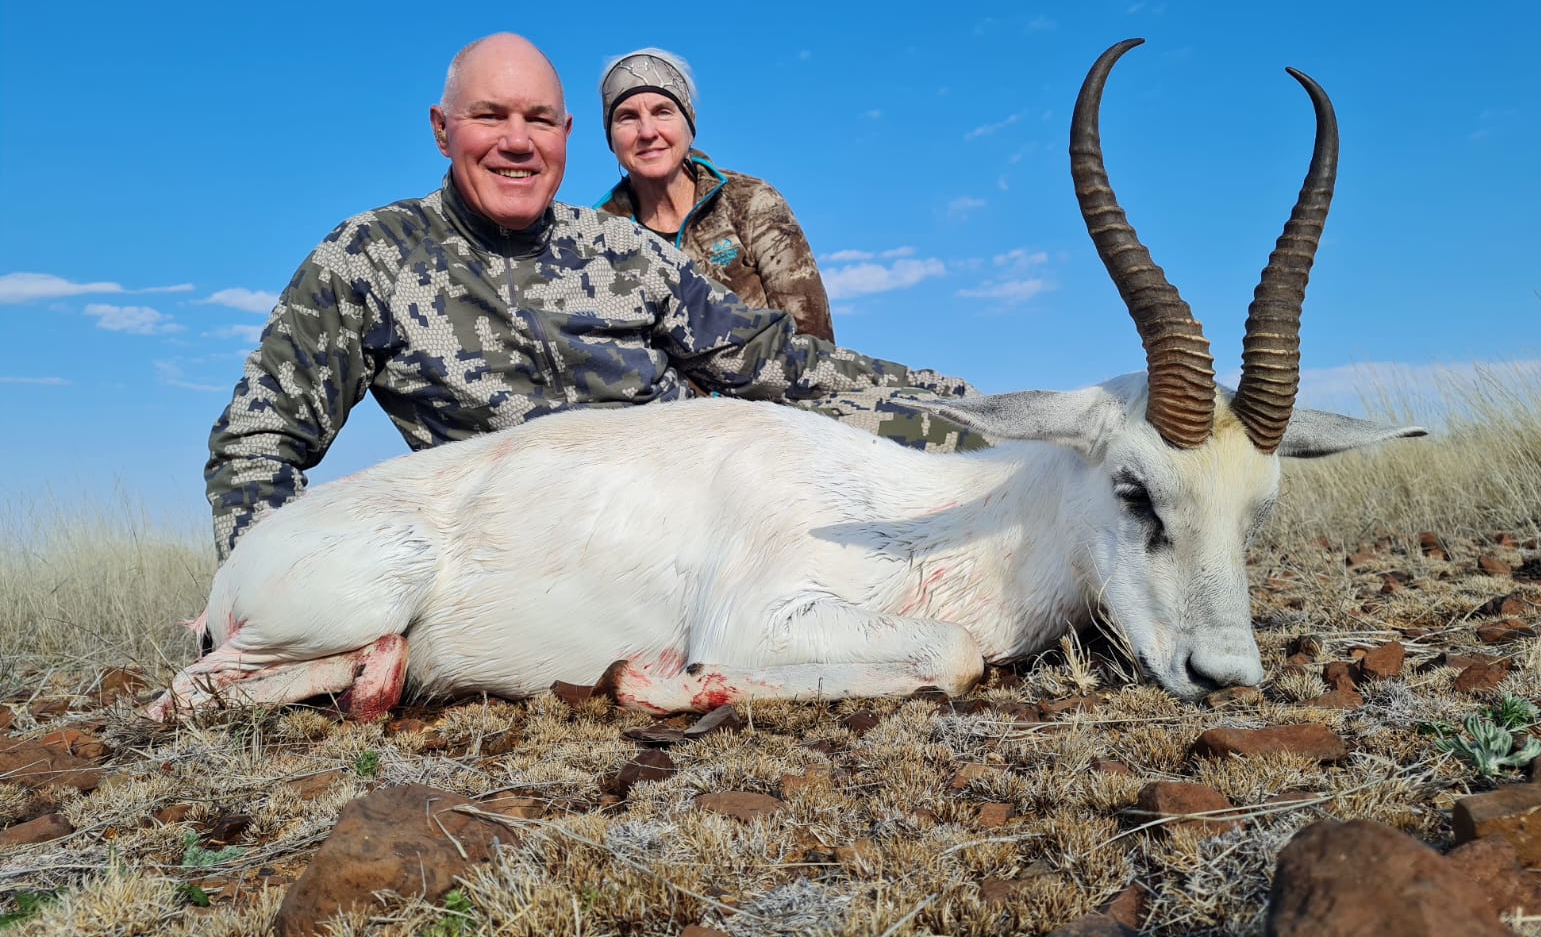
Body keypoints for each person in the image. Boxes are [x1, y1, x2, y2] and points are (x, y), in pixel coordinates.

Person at [205, 33, 980, 558]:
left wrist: (955, 403)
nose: (518, 141)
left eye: (539, 120)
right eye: (490, 117)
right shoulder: (369, 260)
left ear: (567, 133)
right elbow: (256, 443)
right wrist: (257, 582)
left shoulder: (619, 247)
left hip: (716, 511)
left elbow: (772, 357)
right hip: (546, 561)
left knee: (964, 452)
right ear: (443, 130)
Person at [594, 49, 834, 340]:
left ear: (689, 124)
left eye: (662, 112)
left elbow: (811, 335)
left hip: (771, 383)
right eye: (627, 117)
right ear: (611, 139)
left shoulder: (750, 201)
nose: (647, 132)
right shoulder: (598, 237)